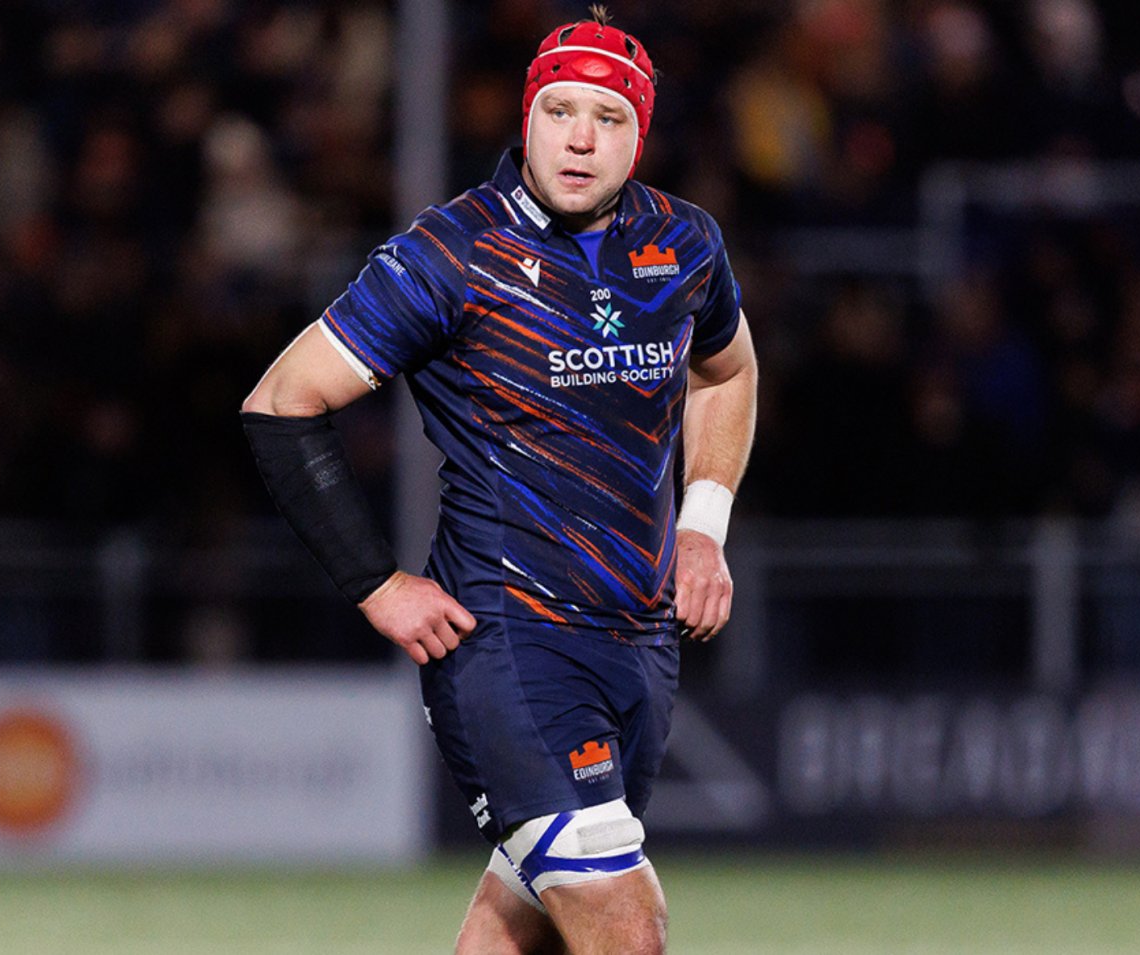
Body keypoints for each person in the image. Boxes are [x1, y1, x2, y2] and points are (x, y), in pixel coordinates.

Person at [240, 8, 757, 953]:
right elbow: (282, 401)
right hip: (511, 639)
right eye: (560, 111)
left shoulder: (683, 243)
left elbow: (726, 374)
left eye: (608, 117)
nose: (580, 137)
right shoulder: (452, 254)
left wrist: (704, 524)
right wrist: (376, 582)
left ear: (640, 135)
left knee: (523, 932)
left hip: (641, 639)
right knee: (624, 923)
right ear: (528, 119)